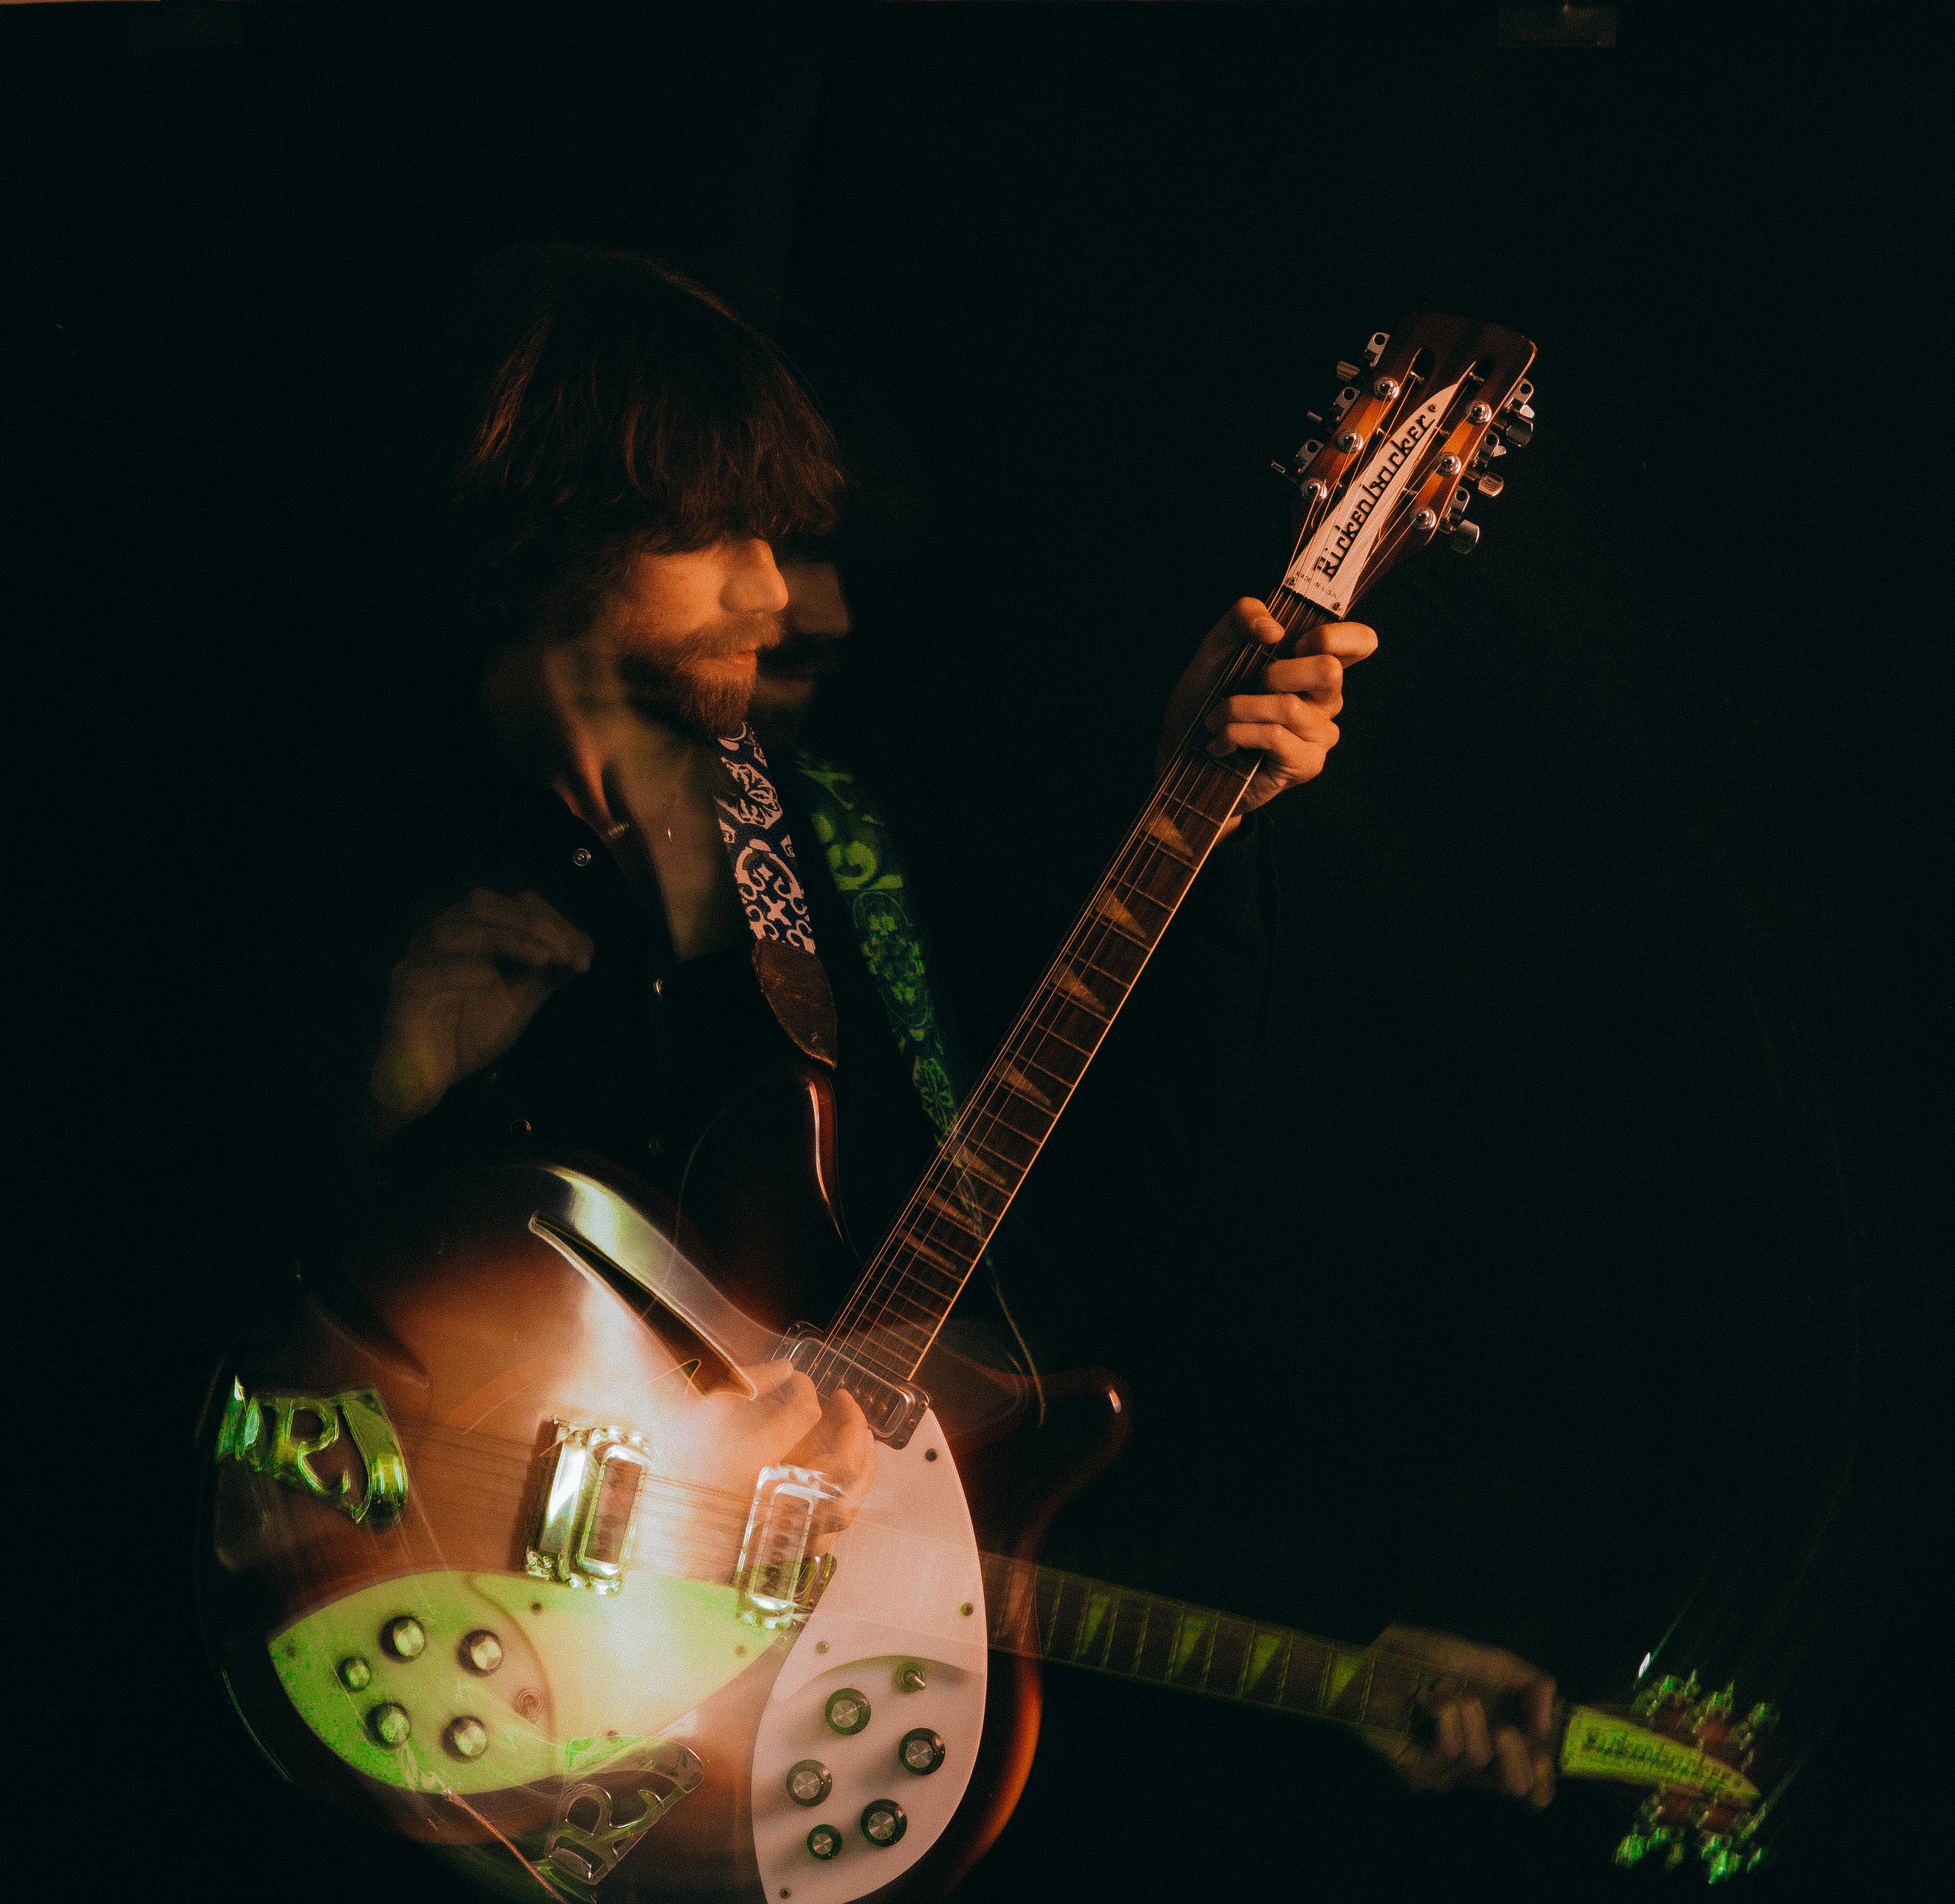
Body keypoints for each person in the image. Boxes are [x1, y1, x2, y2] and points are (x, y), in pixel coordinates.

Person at [263, 245, 1557, 1811]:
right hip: (451, 1726)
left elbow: (1094, 1211)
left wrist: (1203, 822)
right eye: (718, 534)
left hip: (778, 1749)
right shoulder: (353, 875)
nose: (776, 591)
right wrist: (367, 1103)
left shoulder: (840, 836)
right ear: (557, 533)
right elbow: (210, 1374)